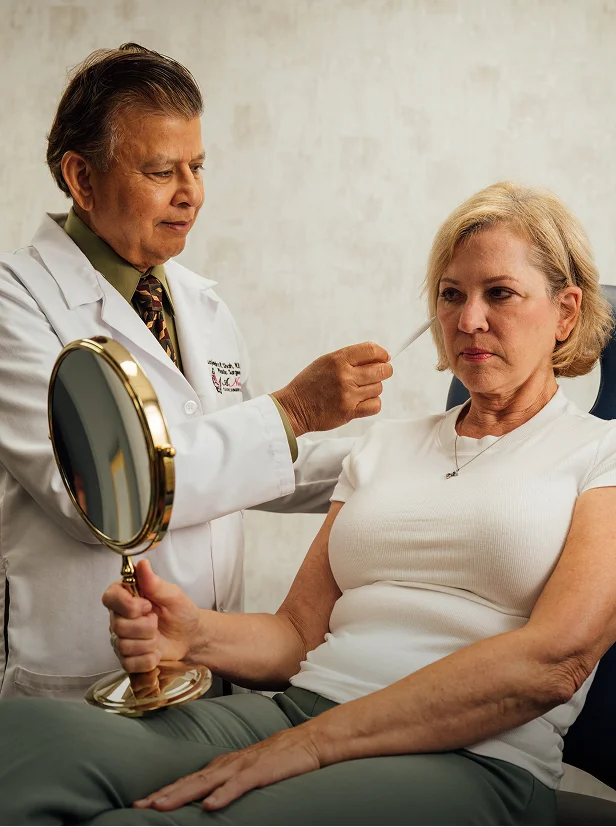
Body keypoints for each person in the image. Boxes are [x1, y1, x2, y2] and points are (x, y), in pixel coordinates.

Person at [2, 180, 615, 826]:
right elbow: (298, 635)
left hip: (473, 758)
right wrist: (194, 633)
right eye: (451, 294)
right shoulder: (387, 446)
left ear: (567, 312)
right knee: (20, 747)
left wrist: (314, 745)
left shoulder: (599, 452)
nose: (468, 320)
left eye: (500, 293)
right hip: (302, 707)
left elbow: (555, 662)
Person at [0, 43, 393, 701]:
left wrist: (396, 458)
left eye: (198, 166)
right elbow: (96, 493)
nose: (192, 195)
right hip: (78, 679)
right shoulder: (17, 302)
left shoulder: (197, 302)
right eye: (162, 170)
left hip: (207, 672)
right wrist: (292, 411)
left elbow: (237, 465)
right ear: (81, 178)